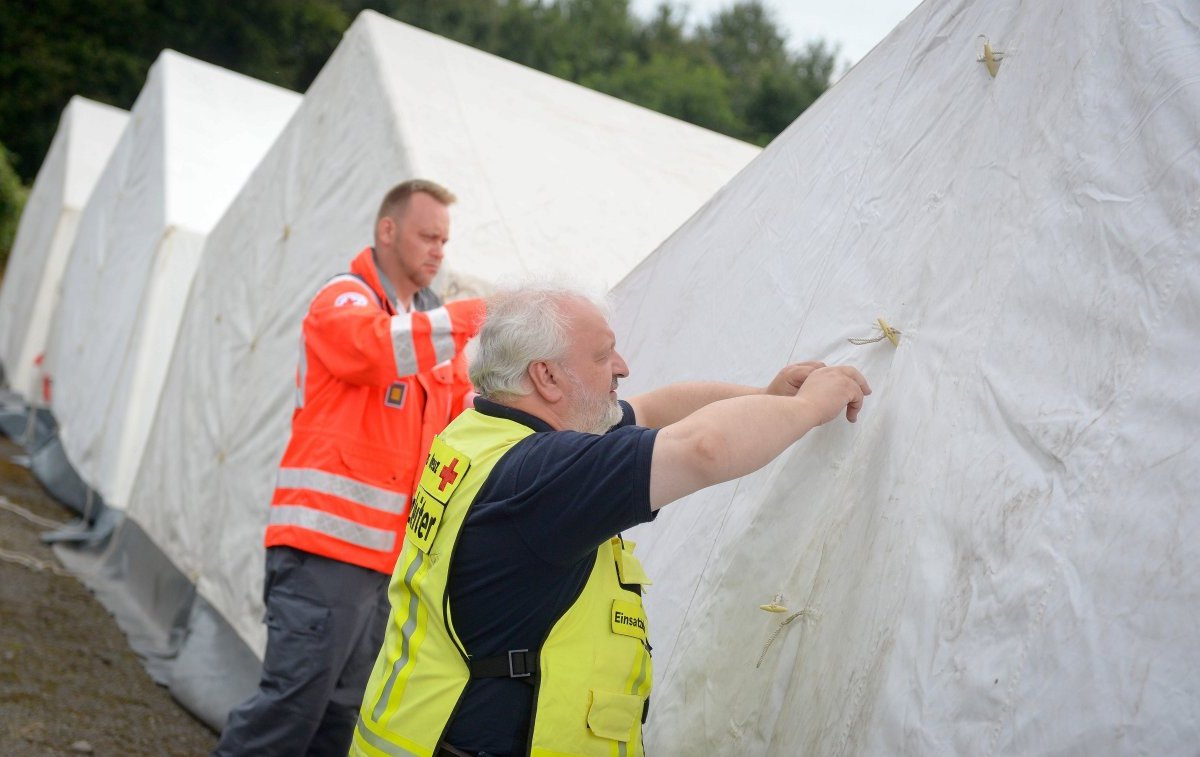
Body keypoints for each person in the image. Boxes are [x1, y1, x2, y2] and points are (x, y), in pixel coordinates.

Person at [351, 286, 870, 757]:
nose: (622, 366)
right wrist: (808, 409)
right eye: (603, 356)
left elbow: (652, 408)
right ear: (546, 376)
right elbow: (704, 448)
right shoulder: (544, 477)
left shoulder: (487, 433)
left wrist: (767, 400)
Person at [215, 180, 485, 756]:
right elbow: (371, 351)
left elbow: (463, 417)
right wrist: (471, 317)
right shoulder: (347, 299)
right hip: (324, 554)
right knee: (289, 712)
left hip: (383, 566)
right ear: (387, 231)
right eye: (427, 235)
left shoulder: (427, 331)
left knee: (341, 722)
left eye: (445, 239)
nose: (439, 250)